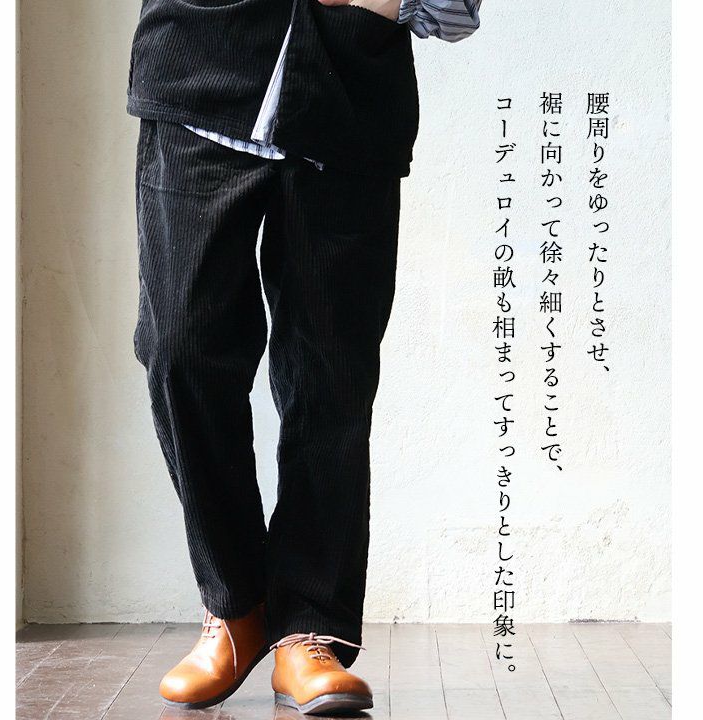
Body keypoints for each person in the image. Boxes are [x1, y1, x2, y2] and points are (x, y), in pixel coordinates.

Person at [127, 0, 482, 713]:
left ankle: (308, 632)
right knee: (179, 351)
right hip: (195, 73)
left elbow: (456, 11)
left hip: (346, 103)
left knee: (331, 377)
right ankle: (234, 607)